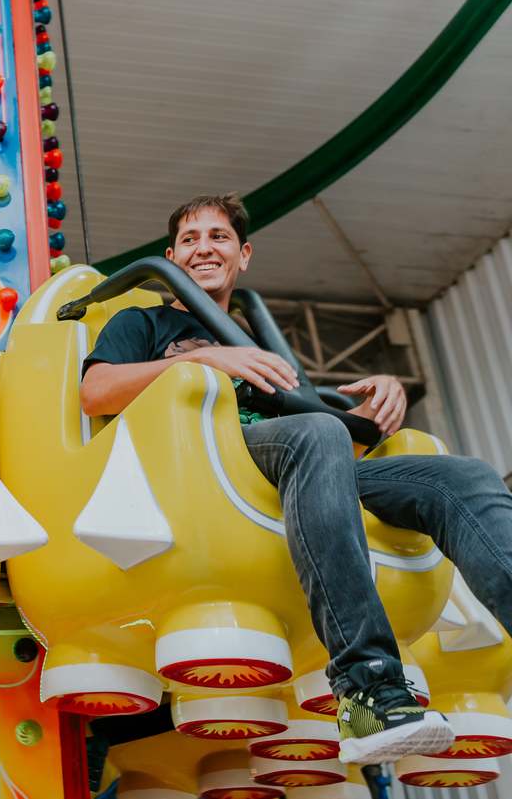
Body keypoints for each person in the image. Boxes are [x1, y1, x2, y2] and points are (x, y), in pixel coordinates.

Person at [80, 193, 512, 765]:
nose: (203, 248)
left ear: (244, 254)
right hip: (198, 466)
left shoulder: (259, 343)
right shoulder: (144, 323)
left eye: (218, 237)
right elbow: (95, 391)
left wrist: (383, 396)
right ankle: (366, 686)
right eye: (190, 239)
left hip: (294, 461)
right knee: (315, 434)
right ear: (171, 255)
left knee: (462, 476)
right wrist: (202, 360)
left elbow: (335, 440)